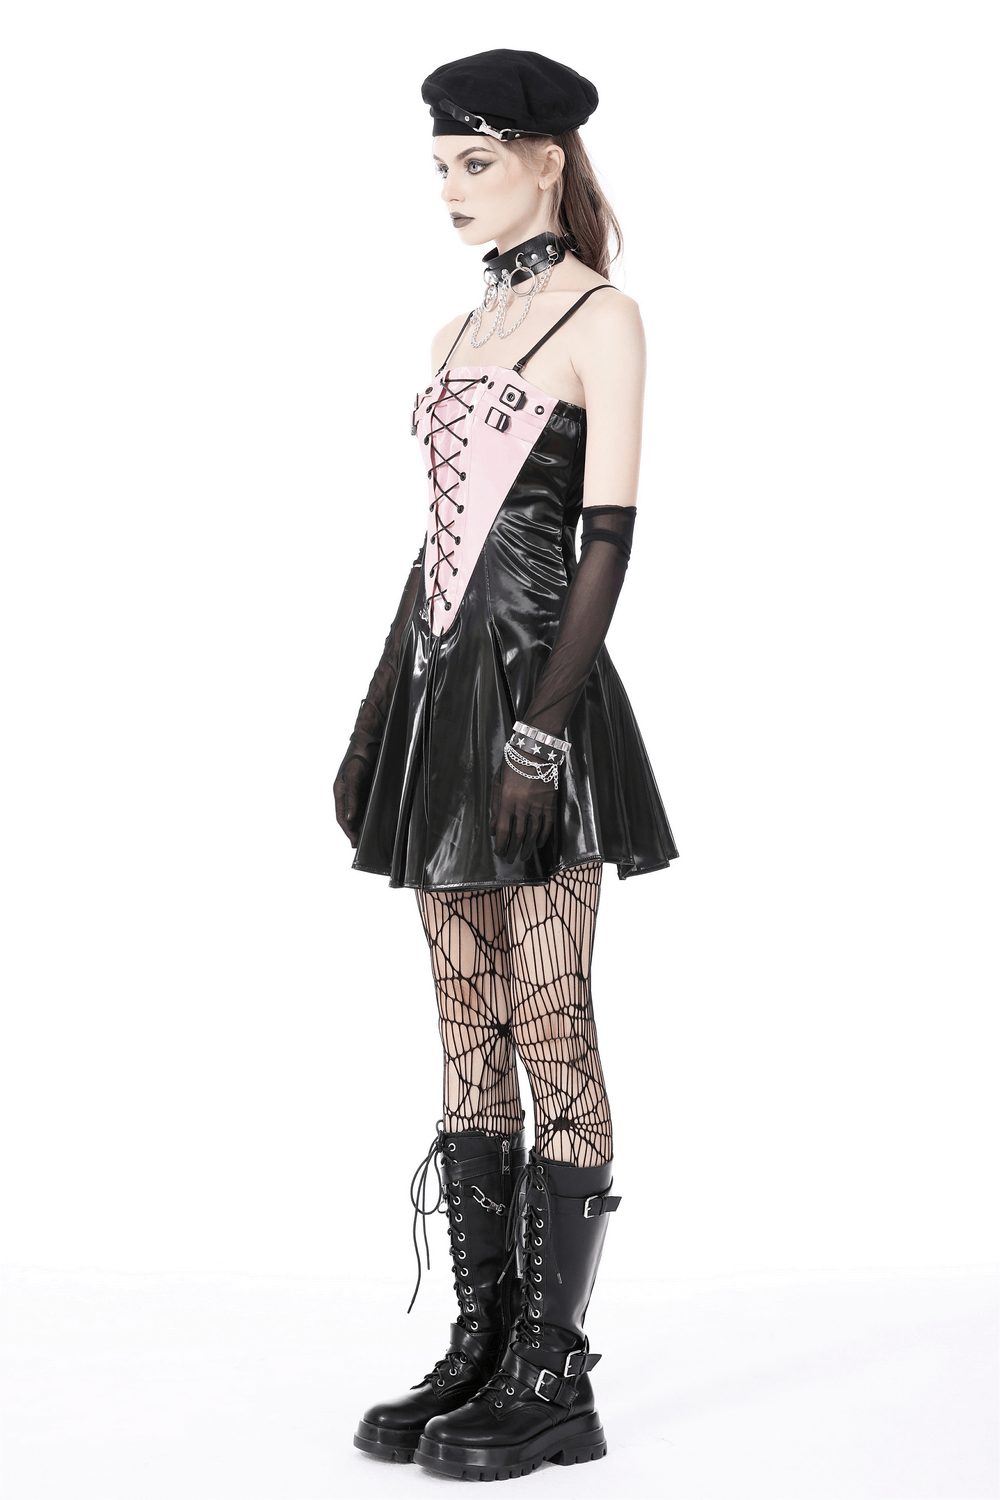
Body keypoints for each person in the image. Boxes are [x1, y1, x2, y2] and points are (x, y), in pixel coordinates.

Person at [334, 48, 679, 1481]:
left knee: (551, 1019)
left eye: (476, 163)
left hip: (544, 698)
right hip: (440, 699)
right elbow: (438, 551)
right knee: (465, 1029)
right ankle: (481, 1340)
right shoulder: (455, 335)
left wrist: (543, 728)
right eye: (441, 168)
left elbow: (609, 544)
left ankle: (554, 1373)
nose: (453, 191)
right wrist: (378, 720)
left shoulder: (605, 317)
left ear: (546, 160)